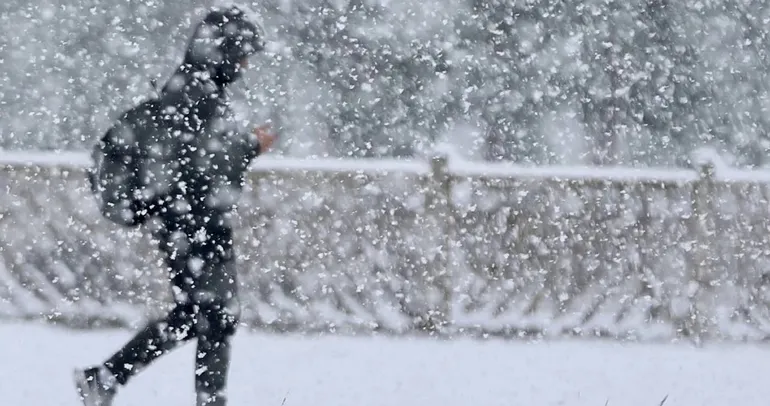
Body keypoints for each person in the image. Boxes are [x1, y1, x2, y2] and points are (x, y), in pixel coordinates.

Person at [73, 5, 276, 406]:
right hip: (193, 220)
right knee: (216, 316)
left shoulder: (191, 87)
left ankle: (105, 378)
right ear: (226, 52)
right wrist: (252, 145)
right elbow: (206, 162)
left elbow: (189, 157)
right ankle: (196, 398)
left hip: (183, 219)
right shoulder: (197, 94)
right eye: (242, 56)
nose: (245, 66)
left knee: (198, 315)